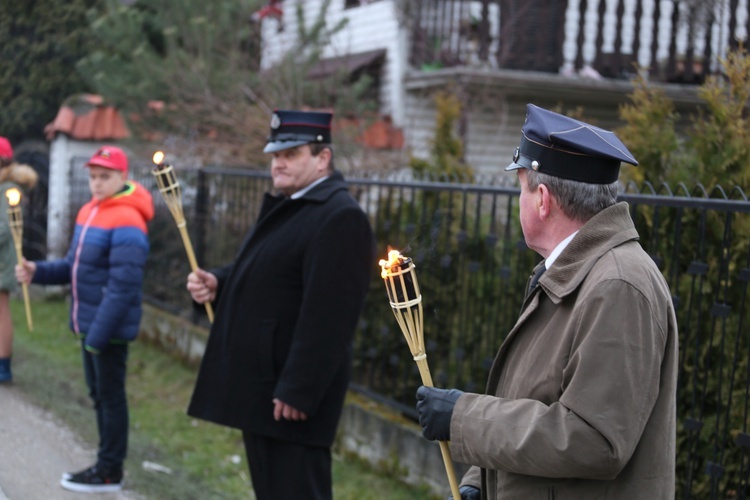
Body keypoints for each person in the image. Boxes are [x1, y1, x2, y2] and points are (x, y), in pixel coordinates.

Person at [415, 104, 678, 499]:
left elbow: (594, 439)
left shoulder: (618, 285)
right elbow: (532, 397)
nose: (518, 199)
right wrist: (478, 482)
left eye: (521, 187)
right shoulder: (570, 271)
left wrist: (462, 417)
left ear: (542, 199)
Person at [186, 109, 375, 499]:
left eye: (290, 154)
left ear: (323, 158)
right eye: (275, 155)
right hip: (265, 391)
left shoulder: (340, 217)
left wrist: (298, 391)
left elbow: (330, 316)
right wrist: (219, 282)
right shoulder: (294, 205)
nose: (278, 163)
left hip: (290, 401)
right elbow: (270, 275)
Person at [15, 145, 154, 493]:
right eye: (93, 176)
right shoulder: (89, 211)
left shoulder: (128, 220)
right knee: (99, 396)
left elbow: (123, 288)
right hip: (89, 325)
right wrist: (37, 271)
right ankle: (106, 464)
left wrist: (97, 336)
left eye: (104, 177)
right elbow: (73, 268)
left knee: (109, 397)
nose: (96, 183)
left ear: (123, 177)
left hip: (106, 330)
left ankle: (109, 470)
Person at [0, 136, 38, 383]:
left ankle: (3, 365)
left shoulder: (7, 189)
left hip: (2, 260)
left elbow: (3, 228)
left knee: (1, 311)